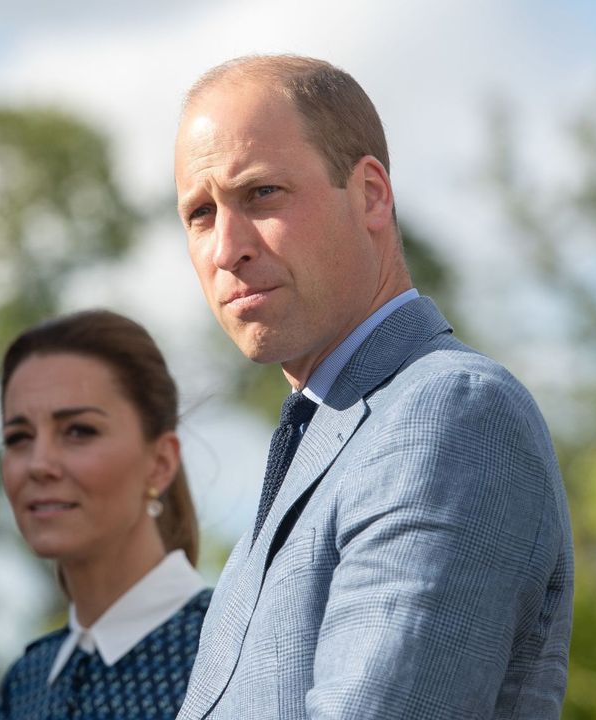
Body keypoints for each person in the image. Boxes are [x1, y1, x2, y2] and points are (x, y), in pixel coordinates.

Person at [173, 55, 574, 718]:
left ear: (371, 196)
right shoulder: (315, 447)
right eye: (200, 214)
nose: (227, 248)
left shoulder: (447, 413)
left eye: (262, 194)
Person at [0, 310, 211, 720]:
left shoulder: (231, 650)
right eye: (18, 437)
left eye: (79, 431)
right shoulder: (25, 684)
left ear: (161, 462)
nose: (39, 464)